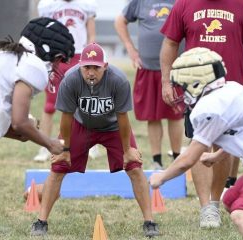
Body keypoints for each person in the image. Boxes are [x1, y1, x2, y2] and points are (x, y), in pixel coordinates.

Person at [30, 43, 160, 238]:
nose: (91, 72)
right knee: (58, 168)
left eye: (96, 67)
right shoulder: (71, 80)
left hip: (113, 127)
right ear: (80, 65)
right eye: (87, 67)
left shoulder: (118, 81)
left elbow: (123, 118)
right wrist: (65, 150)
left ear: (105, 66)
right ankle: (41, 222)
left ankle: (150, 222)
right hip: (80, 126)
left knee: (134, 166)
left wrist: (127, 150)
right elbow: (65, 118)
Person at [159, 0, 243, 228]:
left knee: (224, 146)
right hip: (196, 90)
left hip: (231, 91)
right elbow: (170, 43)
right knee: (199, 143)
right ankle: (206, 207)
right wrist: (166, 81)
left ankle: (216, 201)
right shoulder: (184, 3)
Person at [0, 17, 75, 228]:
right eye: (58, 59)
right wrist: (49, 143)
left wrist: (22, 133)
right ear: (50, 52)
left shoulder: (3, 56)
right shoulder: (33, 65)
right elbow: (19, 121)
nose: (56, 65)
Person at [150, 47, 243, 240]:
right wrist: (215, 156)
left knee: (241, 213)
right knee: (230, 200)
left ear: (197, 82)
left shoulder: (210, 107)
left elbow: (189, 158)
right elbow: (239, 134)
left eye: (184, 84)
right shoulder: (231, 89)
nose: (183, 91)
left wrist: (162, 177)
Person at [114, 0, 184, 170]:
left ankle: (177, 160)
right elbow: (120, 21)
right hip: (147, 68)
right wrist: (130, 48)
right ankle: (157, 161)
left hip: (176, 69)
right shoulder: (140, 2)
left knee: (176, 115)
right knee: (152, 116)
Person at [33, 0, 100, 162]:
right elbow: (41, 33)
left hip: (78, 56)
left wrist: (90, 56)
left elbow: (91, 35)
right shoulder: (48, 5)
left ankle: (91, 145)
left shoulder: (86, 4)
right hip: (56, 57)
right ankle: (44, 146)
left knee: (84, 102)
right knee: (50, 105)